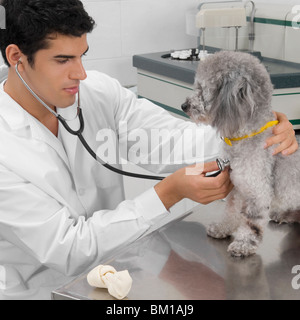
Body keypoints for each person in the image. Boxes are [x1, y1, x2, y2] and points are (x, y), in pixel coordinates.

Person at [0, 0, 297, 299]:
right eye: (63, 60)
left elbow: (171, 141)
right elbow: (69, 248)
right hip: (37, 291)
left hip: (115, 274)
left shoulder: (98, 94)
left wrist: (255, 132)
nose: (81, 74)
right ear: (17, 57)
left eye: (82, 57)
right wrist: (168, 193)